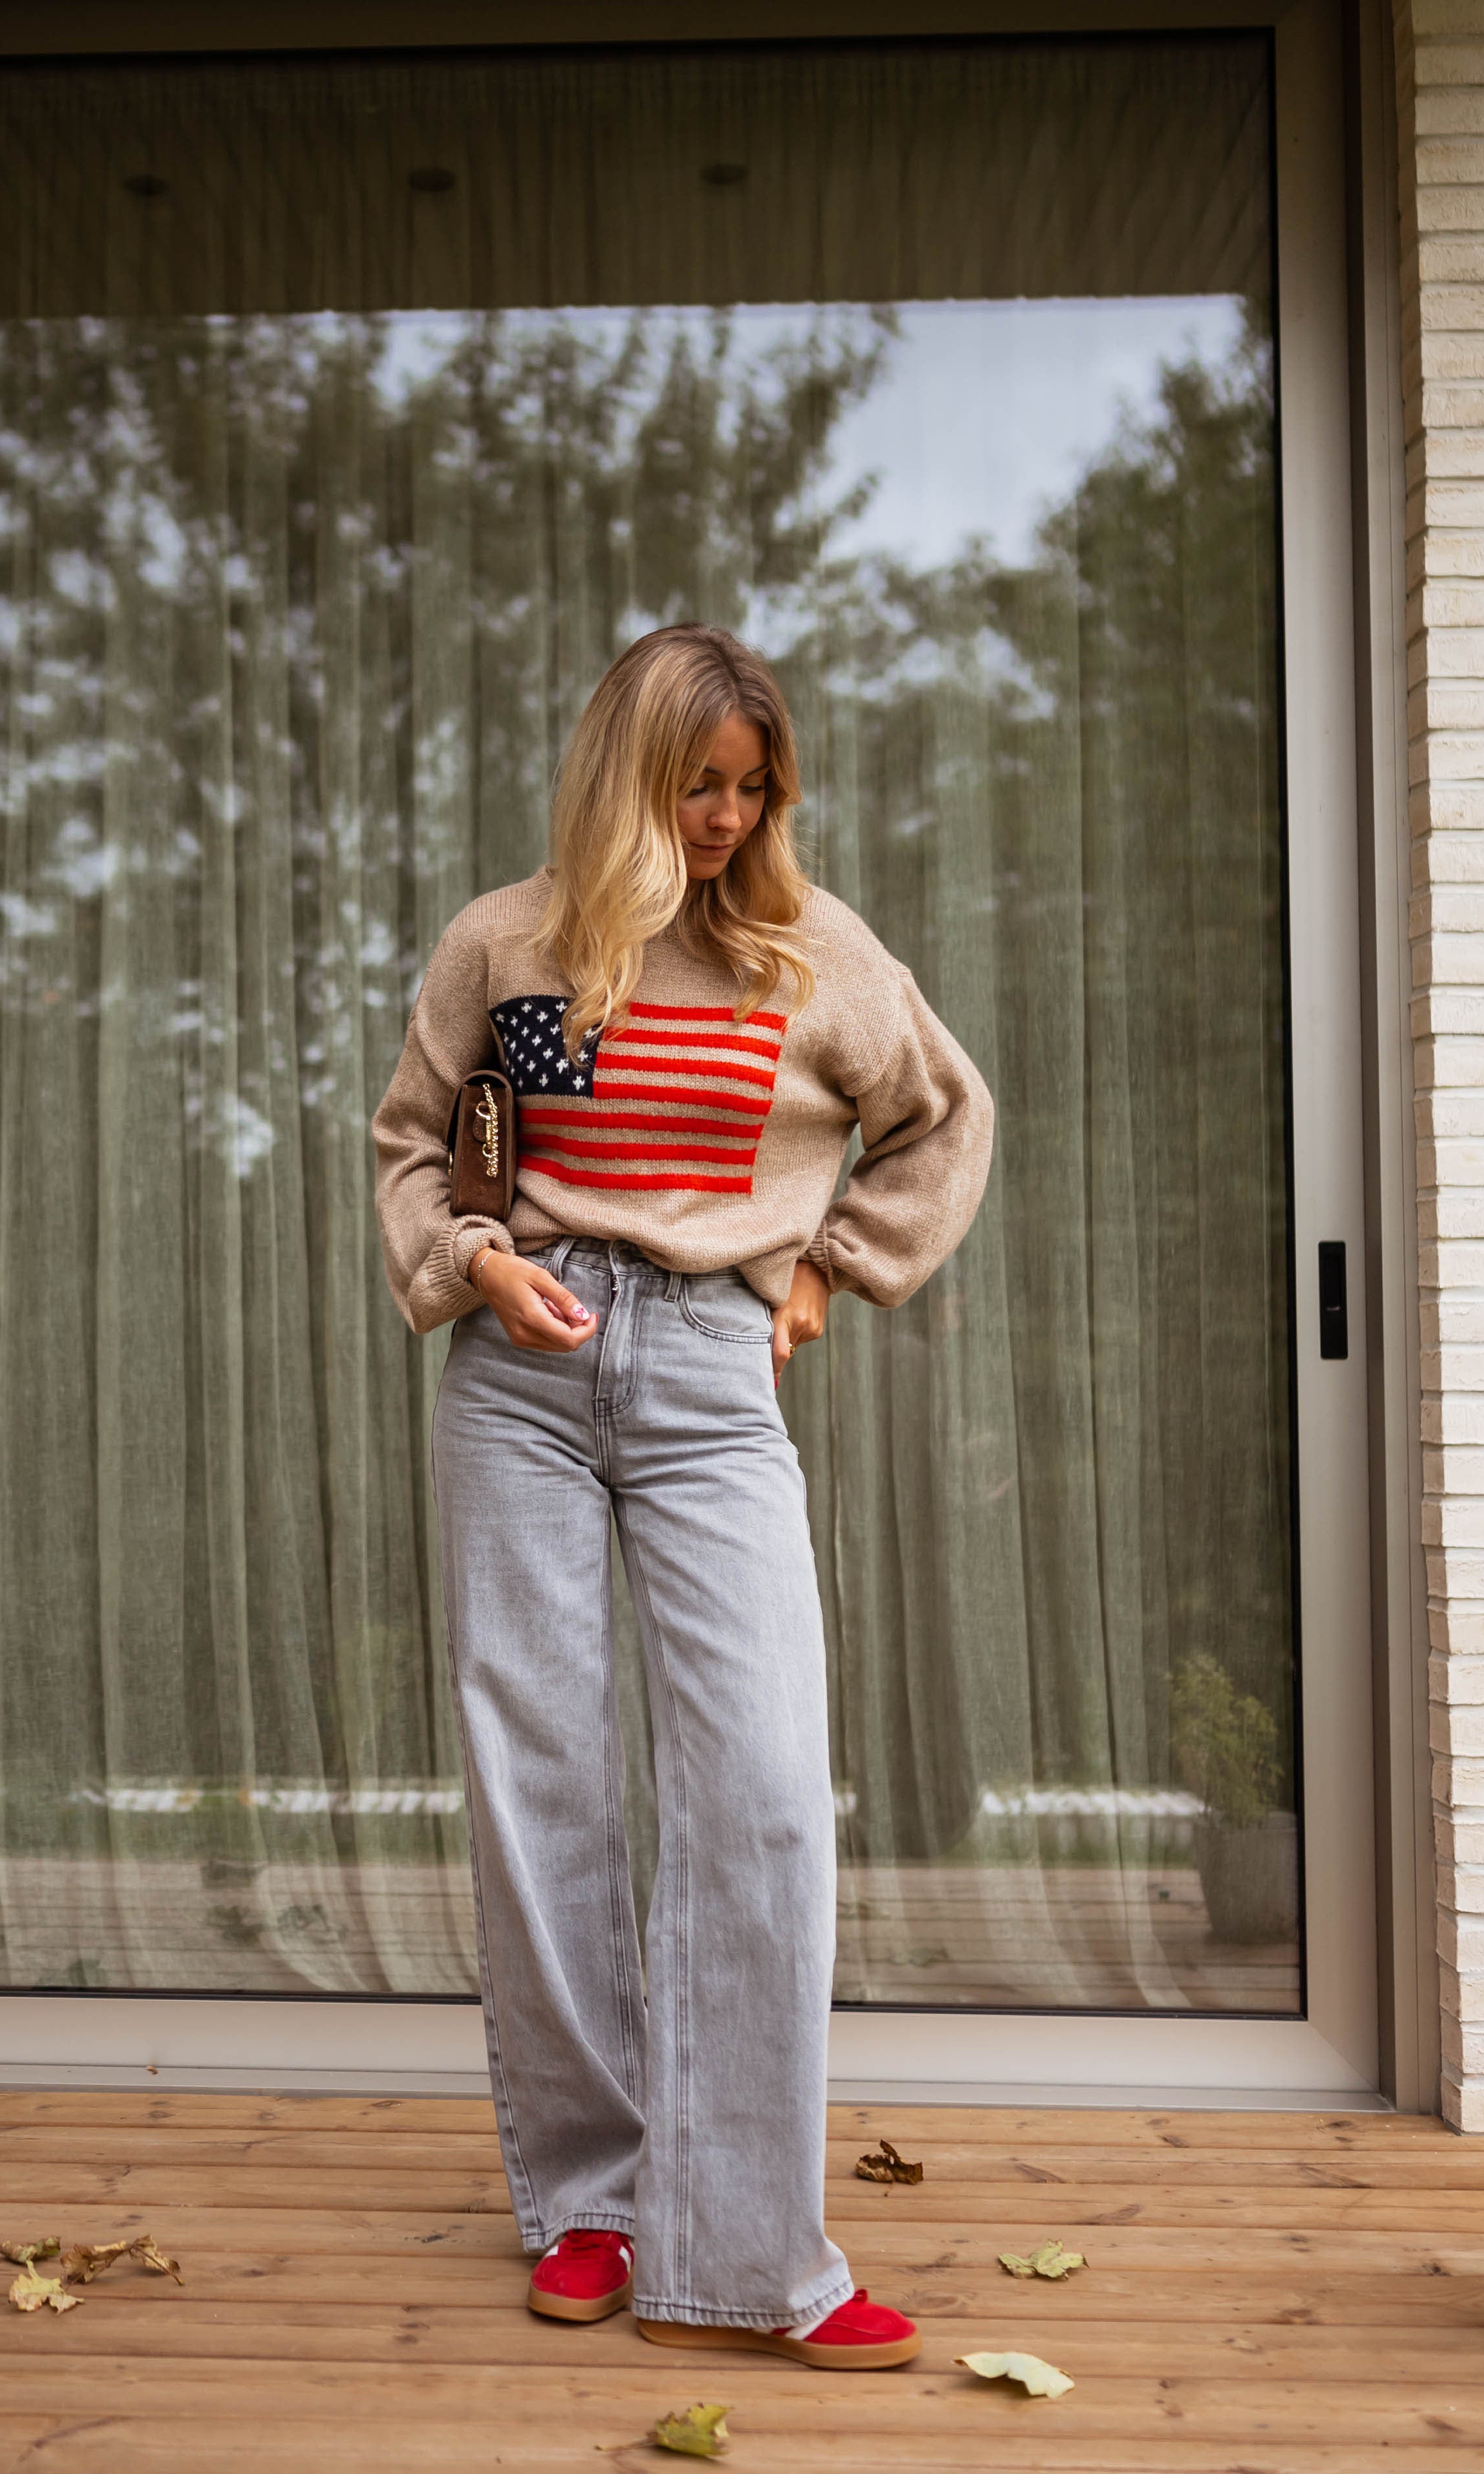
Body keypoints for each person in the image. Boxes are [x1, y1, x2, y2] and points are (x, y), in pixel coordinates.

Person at [372, 624, 992, 2370]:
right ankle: (592, 2200)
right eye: (694, 786)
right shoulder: (513, 948)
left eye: (750, 788)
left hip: (716, 1385)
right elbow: (435, 1142)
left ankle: (750, 2248)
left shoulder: (812, 957)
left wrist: (829, 1270)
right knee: (544, 1777)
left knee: (767, 1791)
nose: (725, 818)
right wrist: (477, 1264)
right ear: (626, 781)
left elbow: (943, 1118)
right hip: (525, 1382)